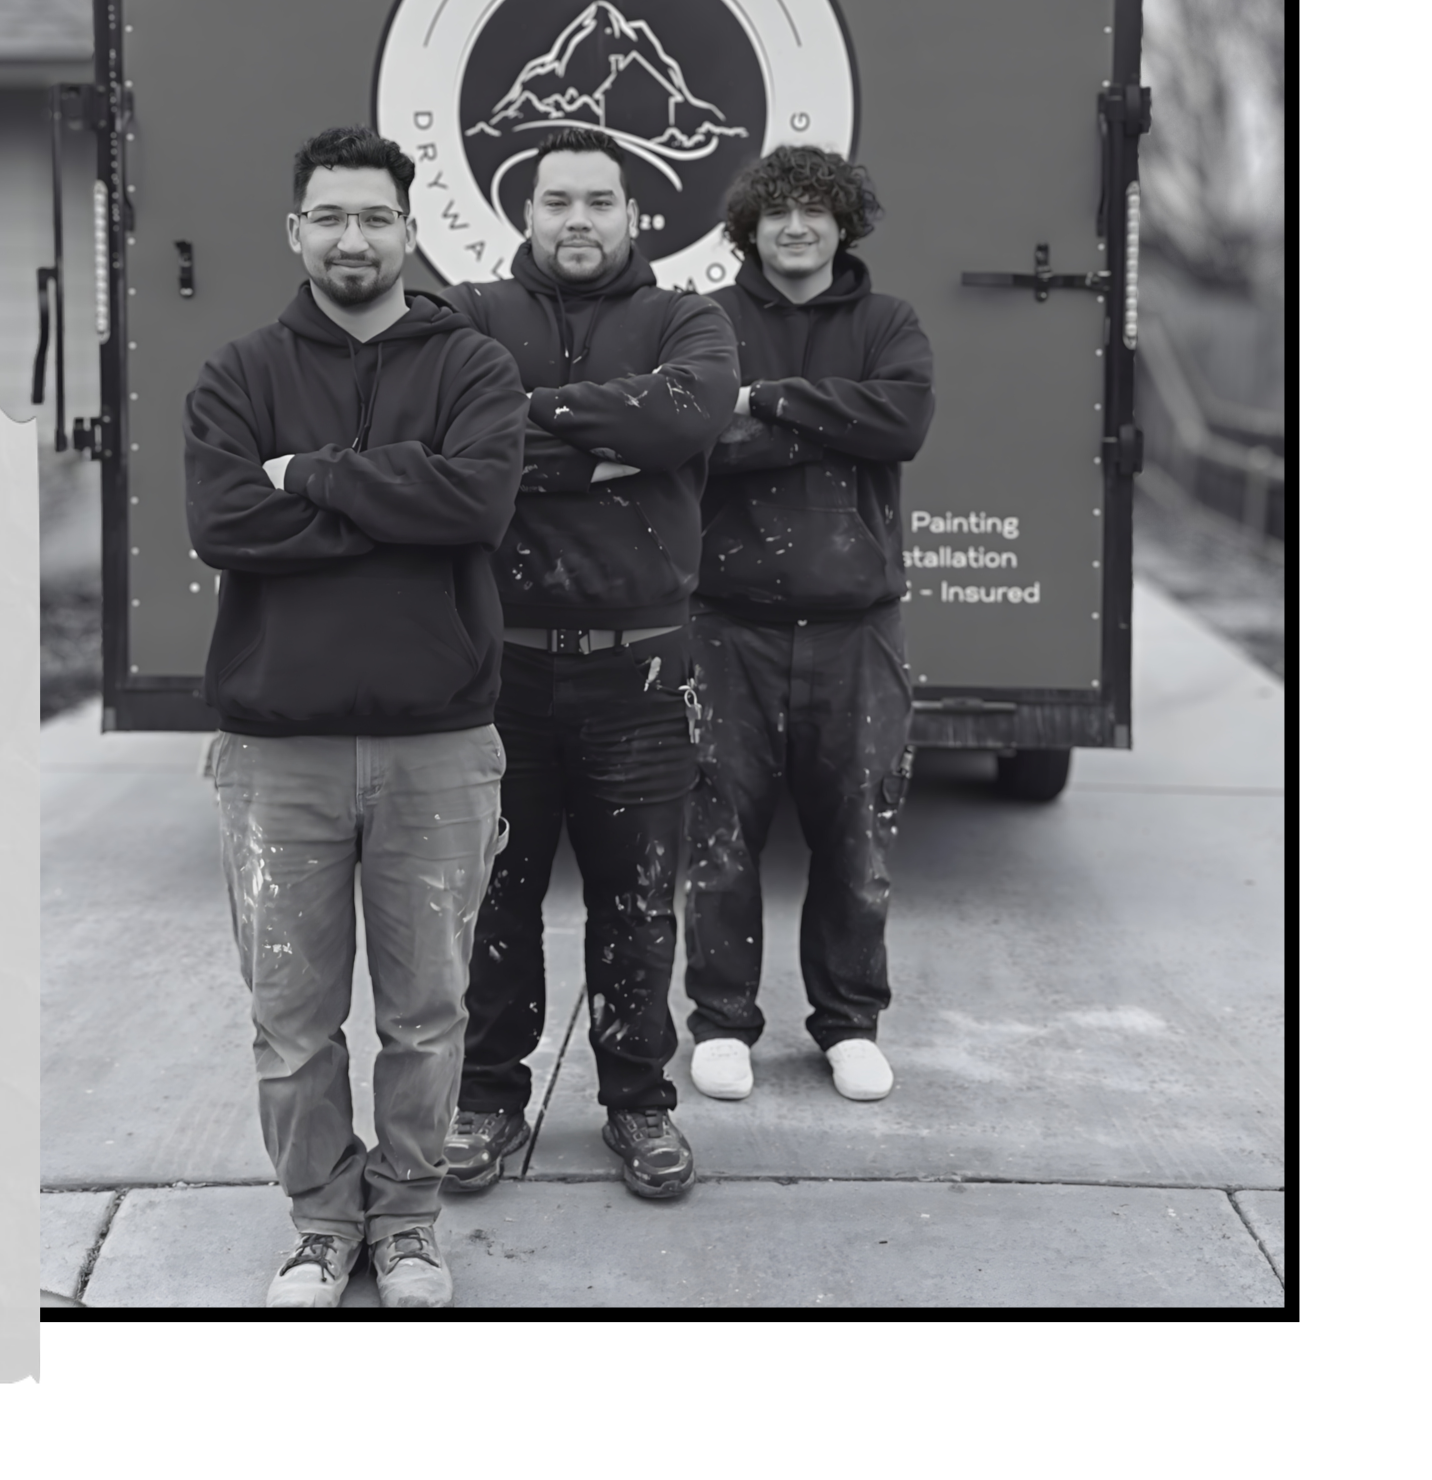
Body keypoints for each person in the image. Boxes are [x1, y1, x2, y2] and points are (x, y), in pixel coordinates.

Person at [183, 126, 527, 1309]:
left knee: (428, 1016)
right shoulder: (238, 373)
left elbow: (476, 501)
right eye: (329, 217)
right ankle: (322, 1226)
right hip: (279, 755)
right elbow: (226, 523)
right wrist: (395, 495)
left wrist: (309, 476)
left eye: (375, 217)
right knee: (292, 1017)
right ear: (296, 231)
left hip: (440, 744)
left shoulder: (473, 367)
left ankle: (410, 1222)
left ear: (409, 229)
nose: (352, 238)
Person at [437, 127, 740, 1201]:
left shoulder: (686, 319)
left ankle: (639, 1107)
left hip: (643, 681)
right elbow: (450, 441)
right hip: (498, 676)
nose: (577, 220)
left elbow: (692, 410)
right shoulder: (467, 313)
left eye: (598, 202)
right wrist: (614, 444)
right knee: (495, 902)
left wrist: (525, 425)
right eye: (556, 200)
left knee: (638, 906)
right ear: (524, 215)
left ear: (632, 216)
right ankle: (486, 1101)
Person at [683, 146, 935, 1104]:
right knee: (718, 833)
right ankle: (721, 1023)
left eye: (816, 211)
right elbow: (700, 438)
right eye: (778, 212)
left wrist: (771, 402)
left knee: (857, 835)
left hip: (857, 629)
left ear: (844, 223)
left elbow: (902, 424)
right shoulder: (706, 321)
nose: (797, 227)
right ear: (750, 225)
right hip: (727, 624)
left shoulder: (888, 322)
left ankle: (848, 1024)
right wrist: (836, 419)